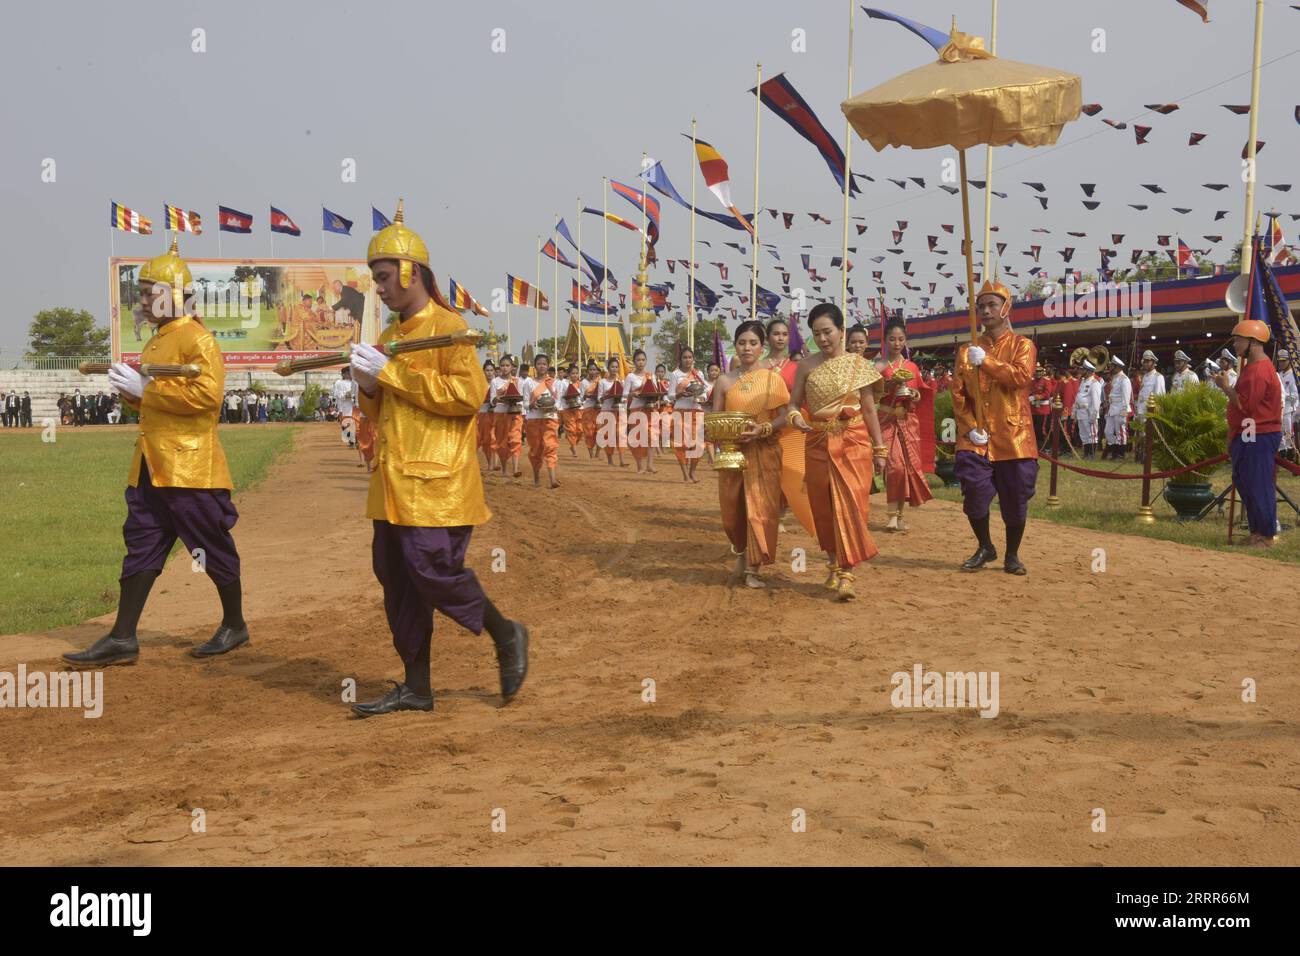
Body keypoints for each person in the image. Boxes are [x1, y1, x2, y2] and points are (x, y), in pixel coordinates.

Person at [346, 201, 527, 716]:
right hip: (392, 482)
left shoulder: (451, 327)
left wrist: (392, 375)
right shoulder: (388, 338)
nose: (378, 287)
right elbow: (381, 407)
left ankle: (506, 632)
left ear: (409, 271)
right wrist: (367, 386)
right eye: (374, 278)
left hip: (437, 481)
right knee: (397, 577)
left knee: (432, 571)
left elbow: (468, 395)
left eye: (383, 277)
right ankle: (417, 686)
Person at [63, 235, 248, 667]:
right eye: (141, 293)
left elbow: (206, 400)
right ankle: (123, 636)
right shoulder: (156, 340)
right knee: (141, 544)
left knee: (208, 545)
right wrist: (135, 393)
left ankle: (235, 623)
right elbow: (153, 400)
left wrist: (148, 390)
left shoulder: (199, 341)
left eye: (149, 293)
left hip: (191, 467)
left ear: (173, 295)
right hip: (151, 463)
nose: (142, 300)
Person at [787, 303, 887, 601]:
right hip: (816, 440)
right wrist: (795, 417)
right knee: (824, 507)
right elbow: (793, 403)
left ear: (842, 331)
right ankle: (833, 563)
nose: (822, 339)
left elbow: (869, 410)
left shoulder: (858, 365)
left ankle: (847, 572)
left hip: (853, 440)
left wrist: (880, 448)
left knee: (852, 504)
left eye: (828, 332)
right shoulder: (806, 365)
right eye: (816, 334)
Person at [951, 278, 1038, 575]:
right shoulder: (966, 350)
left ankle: (1012, 554)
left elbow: (1019, 378)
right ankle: (985, 545)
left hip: (1014, 436)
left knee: (1015, 499)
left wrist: (986, 362)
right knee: (974, 492)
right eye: (981, 306)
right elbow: (958, 393)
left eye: (992, 305)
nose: (985, 311)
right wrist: (969, 425)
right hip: (978, 436)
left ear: (1006, 308)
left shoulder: (1023, 345)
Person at [712, 321, 790, 589]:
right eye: (742, 343)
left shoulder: (772, 379)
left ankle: (754, 568)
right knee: (732, 512)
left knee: (760, 509)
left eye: (753, 343)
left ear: (762, 347)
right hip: (733, 453)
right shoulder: (724, 380)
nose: (747, 348)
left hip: (764, 450)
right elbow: (715, 418)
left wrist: (762, 429)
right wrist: (719, 438)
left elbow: (784, 417)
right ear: (735, 346)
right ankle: (741, 553)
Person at [1210, 319, 1283, 547]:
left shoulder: (1260, 371)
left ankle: (1266, 535)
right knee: (1247, 482)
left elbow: (1246, 405)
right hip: (1249, 433)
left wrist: (1225, 387)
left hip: (1260, 434)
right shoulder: (1251, 368)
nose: (1235, 345)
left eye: (1239, 340)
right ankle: (1257, 531)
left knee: (1258, 483)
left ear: (1253, 342)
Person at [877, 316, 933, 532]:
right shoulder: (879, 366)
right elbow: (871, 395)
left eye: (901, 339)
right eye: (892, 339)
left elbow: (920, 394)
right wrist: (888, 385)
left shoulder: (911, 366)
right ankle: (892, 514)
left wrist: (913, 394)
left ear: (905, 341)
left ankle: (899, 515)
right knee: (895, 466)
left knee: (906, 468)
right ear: (885, 340)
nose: (897, 343)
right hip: (886, 421)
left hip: (907, 422)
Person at [668, 346, 709, 482]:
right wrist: (680, 394)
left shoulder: (699, 374)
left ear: (693, 359)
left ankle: (692, 472)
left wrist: (702, 397)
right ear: (680, 359)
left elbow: (704, 391)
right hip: (680, 411)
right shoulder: (675, 374)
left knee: (698, 444)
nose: (687, 360)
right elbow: (670, 396)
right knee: (681, 444)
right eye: (685, 357)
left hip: (696, 410)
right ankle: (685, 474)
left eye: (690, 357)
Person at [522, 353, 562, 488]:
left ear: (548, 366)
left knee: (550, 447)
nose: (542, 366)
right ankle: (536, 479)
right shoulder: (528, 382)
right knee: (536, 449)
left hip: (550, 418)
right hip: (533, 419)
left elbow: (558, 403)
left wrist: (552, 407)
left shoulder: (554, 382)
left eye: (544, 364)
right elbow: (525, 403)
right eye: (539, 363)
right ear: (535, 366)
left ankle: (553, 480)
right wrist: (532, 405)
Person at [489, 354, 524, 477]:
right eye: (502, 365)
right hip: (500, 413)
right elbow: (492, 400)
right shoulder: (495, 381)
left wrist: (518, 404)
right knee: (502, 442)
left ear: (512, 367)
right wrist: (502, 399)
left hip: (514, 413)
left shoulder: (517, 381)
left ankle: (515, 469)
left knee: (515, 439)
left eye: (507, 365)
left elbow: (521, 399)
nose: (504, 368)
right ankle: (504, 468)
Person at [624, 349, 658, 473]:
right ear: (634, 362)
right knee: (638, 438)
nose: (641, 362)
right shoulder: (630, 377)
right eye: (638, 360)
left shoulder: (650, 376)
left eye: (643, 360)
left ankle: (650, 464)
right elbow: (624, 395)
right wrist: (633, 394)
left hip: (649, 408)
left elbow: (654, 391)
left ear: (646, 361)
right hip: (636, 409)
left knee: (652, 436)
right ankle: (639, 466)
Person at [1132, 349, 1166, 459]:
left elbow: (1159, 396)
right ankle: (1141, 455)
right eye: (1144, 361)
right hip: (1141, 410)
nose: (1146, 363)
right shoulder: (1145, 376)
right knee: (1141, 434)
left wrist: (1155, 414)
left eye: (1148, 361)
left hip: (1150, 412)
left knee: (1149, 435)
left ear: (1153, 362)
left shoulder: (1158, 377)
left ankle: (1149, 457)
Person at [597, 356, 628, 467]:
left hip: (620, 410)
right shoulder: (602, 382)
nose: (615, 369)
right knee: (608, 436)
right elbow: (599, 398)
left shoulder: (622, 382)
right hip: (607, 410)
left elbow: (625, 397)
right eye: (612, 367)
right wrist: (607, 395)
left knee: (621, 434)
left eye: (616, 367)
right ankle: (610, 459)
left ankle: (622, 459)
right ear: (608, 368)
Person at [1103, 356, 1132, 460]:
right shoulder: (1114, 378)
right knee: (1108, 432)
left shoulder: (1124, 379)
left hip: (1120, 408)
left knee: (1120, 431)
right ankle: (1115, 449)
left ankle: (1120, 453)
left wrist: (1124, 410)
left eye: (1112, 365)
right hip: (1112, 408)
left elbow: (1126, 396)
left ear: (1118, 367)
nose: (1110, 367)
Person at [1072, 360, 1102, 458]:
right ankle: (1086, 453)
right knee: (1083, 433)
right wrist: (1075, 411)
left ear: (1088, 371)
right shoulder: (1083, 382)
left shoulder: (1094, 383)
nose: (1081, 371)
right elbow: (1078, 397)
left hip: (1089, 412)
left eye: (1083, 369)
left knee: (1091, 434)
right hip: (1081, 412)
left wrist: (1094, 415)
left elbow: (1096, 401)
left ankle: (1091, 454)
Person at [558, 362, 585, 458]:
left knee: (580, 430)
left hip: (579, 409)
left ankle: (574, 443)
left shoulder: (580, 384)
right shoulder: (564, 383)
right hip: (567, 409)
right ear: (568, 375)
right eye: (573, 373)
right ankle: (573, 448)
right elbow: (560, 396)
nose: (575, 375)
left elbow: (582, 397)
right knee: (572, 429)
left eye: (577, 373)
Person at [1277, 349, 1299, 457]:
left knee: (1288, 433)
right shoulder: (1279, 375)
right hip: (1279, 409)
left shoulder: (1294, 375)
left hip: (1289, 410)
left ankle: (1292, 451)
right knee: (1280, 432)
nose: (1281, 363)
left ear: (1289, 361)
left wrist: (1281, 395)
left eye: (1283, 361)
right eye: (1280, 361)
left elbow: (1295, 395)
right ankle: (1283, 450)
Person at [580, 361, 602, 458]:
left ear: (597, 370)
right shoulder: (583, 382)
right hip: (588, 409)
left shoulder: (601, 381)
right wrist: (586, 395)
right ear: (587, 370)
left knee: (600, 432)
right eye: (590, 369)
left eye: (594, 369)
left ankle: (597, 453)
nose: (592, 372)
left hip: (599, 409)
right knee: (589, 433)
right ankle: (591, 454)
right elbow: (580, 398)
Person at [478, 359, 496, 470]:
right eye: (487, 370)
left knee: (494, 439)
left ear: (494, 371)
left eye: (491, 370)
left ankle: (495, 464)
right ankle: (490, 463)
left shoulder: (498, 383)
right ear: (483, 371)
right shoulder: (479, 385)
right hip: (482, 414)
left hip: (496, 415)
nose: (489, 372)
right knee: (485, 440)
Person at [332, 367, 358, 447]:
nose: (350, 374)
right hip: (344, 405)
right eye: (348, 373)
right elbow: (336, 393)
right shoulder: (339, 383)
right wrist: (345, 396)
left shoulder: (355, 382)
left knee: (353, 423)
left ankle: (354, 440)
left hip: (354, 405)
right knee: (345, 424)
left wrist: (353, 396)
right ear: (343, 374)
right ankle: (351, 439)